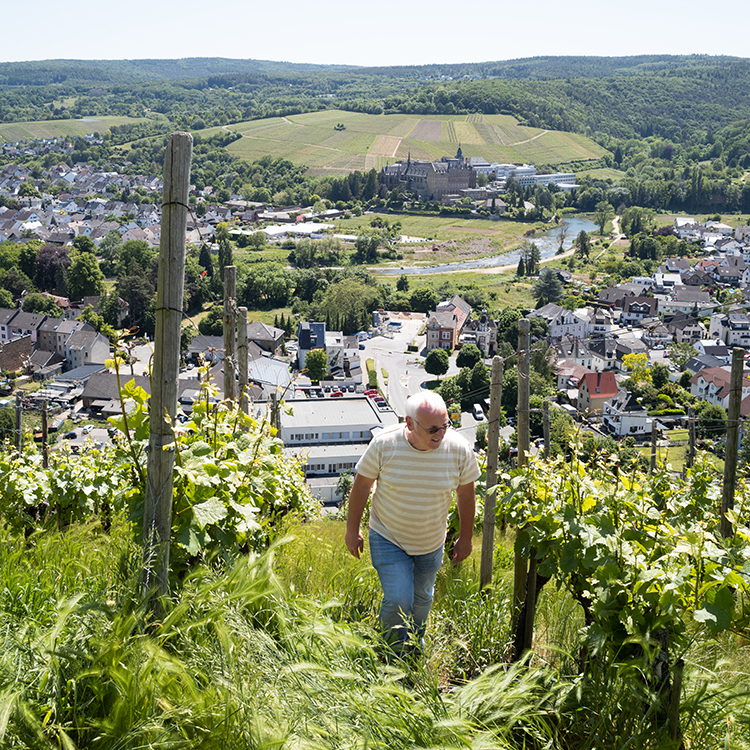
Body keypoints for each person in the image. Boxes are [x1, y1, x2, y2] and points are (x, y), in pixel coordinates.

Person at [345, 391, 480, 652]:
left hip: (431, 541)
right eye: (432, 429)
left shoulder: (459, 449)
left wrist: (466, 537)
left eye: (444, 426)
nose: (440, 434)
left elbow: (466, 492)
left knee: (422, 600)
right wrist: (352, 529)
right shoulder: (385, 444)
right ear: (409, 423)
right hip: (388, 536)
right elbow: (362, 486)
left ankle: (414, 646)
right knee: (398, 599)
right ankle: (391, 653)